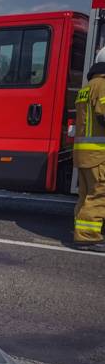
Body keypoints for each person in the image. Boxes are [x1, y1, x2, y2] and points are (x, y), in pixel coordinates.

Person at [72, 47, 105, 251]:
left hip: (84, 153)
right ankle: (87, 237)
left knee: (86, 195)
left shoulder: (87, 86)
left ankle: (81, 231)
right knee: (98, 195)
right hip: (98, 154)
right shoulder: (102, 85)